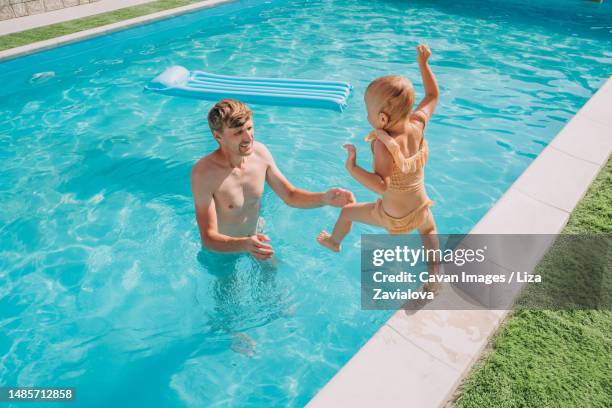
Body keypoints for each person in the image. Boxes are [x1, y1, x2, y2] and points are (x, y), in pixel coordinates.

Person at [317, 44, 440, 287]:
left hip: (394, 216)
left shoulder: (384, 145)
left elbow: (382, 186)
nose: (367, 117)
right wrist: (424, 65)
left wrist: (353, 167)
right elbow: (433, 96)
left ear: (382, 118)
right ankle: (435, 275)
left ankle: (334, 242)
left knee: (346, 212)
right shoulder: (417, 125)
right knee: (428, 231)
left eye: (368, 112)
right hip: (421, 206)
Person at [191, 99, 355, 260]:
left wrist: (324, 198)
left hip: (256, 240)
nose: (248, 138)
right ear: (218, 137)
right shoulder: (204, 174)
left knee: (273, 278)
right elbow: (208, 238)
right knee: (227, 286)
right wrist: (245, 244)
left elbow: (290, 195)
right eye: (238, 133)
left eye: (249, 128)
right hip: (223, 250)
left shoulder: (260, 154)